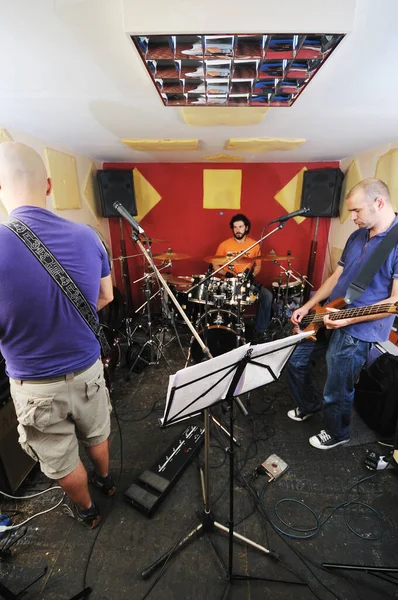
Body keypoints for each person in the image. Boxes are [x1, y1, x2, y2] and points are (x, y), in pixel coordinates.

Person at [0, 141, 115, 528]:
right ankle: (107, 482)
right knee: (97, 433)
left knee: (62, 459)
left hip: (35, 387)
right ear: (49, 185)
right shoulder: (89, 237)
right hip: (87, 370)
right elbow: (106, 296)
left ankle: (88, 511)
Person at [287, 178, 398, 450]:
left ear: (379, 203)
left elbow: (395, 302)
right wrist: (308, 305)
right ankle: (310, 404)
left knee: (337, 386)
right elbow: (336, 277)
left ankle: (338, 432)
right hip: (332, 312)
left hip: (358, 330)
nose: (352, 218)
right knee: (295, 359)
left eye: (356, 211)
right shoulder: (358, 235)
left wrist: (349, 319)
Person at [214, 213, 273, 336]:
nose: (237, 230)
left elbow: (258, 265)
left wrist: (252, 275)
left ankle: (260, 330)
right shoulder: (224, 245)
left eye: (240, 227)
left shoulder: (254, 245)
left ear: (246, 228)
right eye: (235, 227)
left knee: (267, 296)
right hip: (229, 283)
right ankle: (223, 328)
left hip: (247, 282)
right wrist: (227, 274)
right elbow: (215, 266)